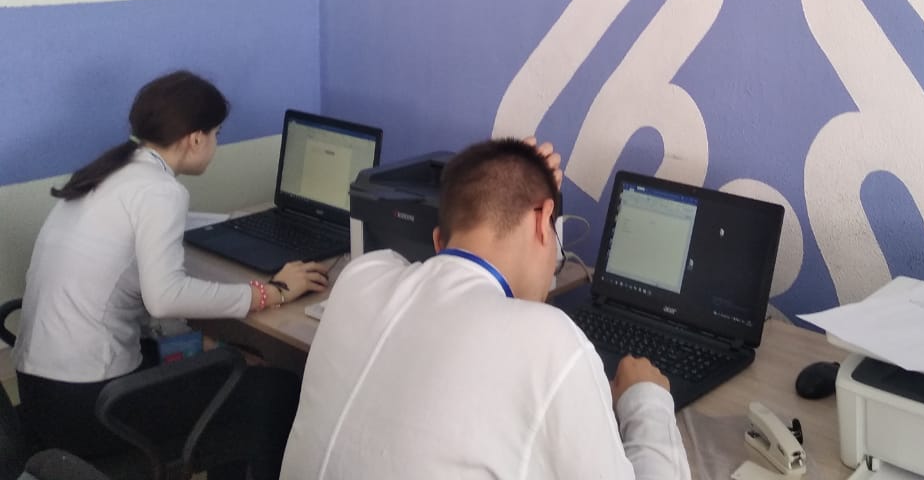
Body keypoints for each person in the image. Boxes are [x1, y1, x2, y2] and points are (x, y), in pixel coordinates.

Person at [280, 137, 692, 480]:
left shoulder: (359, 279)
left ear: (438, 242)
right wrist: (647, 401)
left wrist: (512, 184)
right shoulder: (551, 339)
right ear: (544, 220)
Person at [12, 70, 331, 479]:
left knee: (232, 360)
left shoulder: (107, 173)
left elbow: (132, 291)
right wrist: (270, 292)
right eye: (216, 134)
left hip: (42, 392)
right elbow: (164, 298)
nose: (216, 144)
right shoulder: (161, 191)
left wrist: (207, 342)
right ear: (195, 139)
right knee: (274, 391)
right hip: (92, 409)